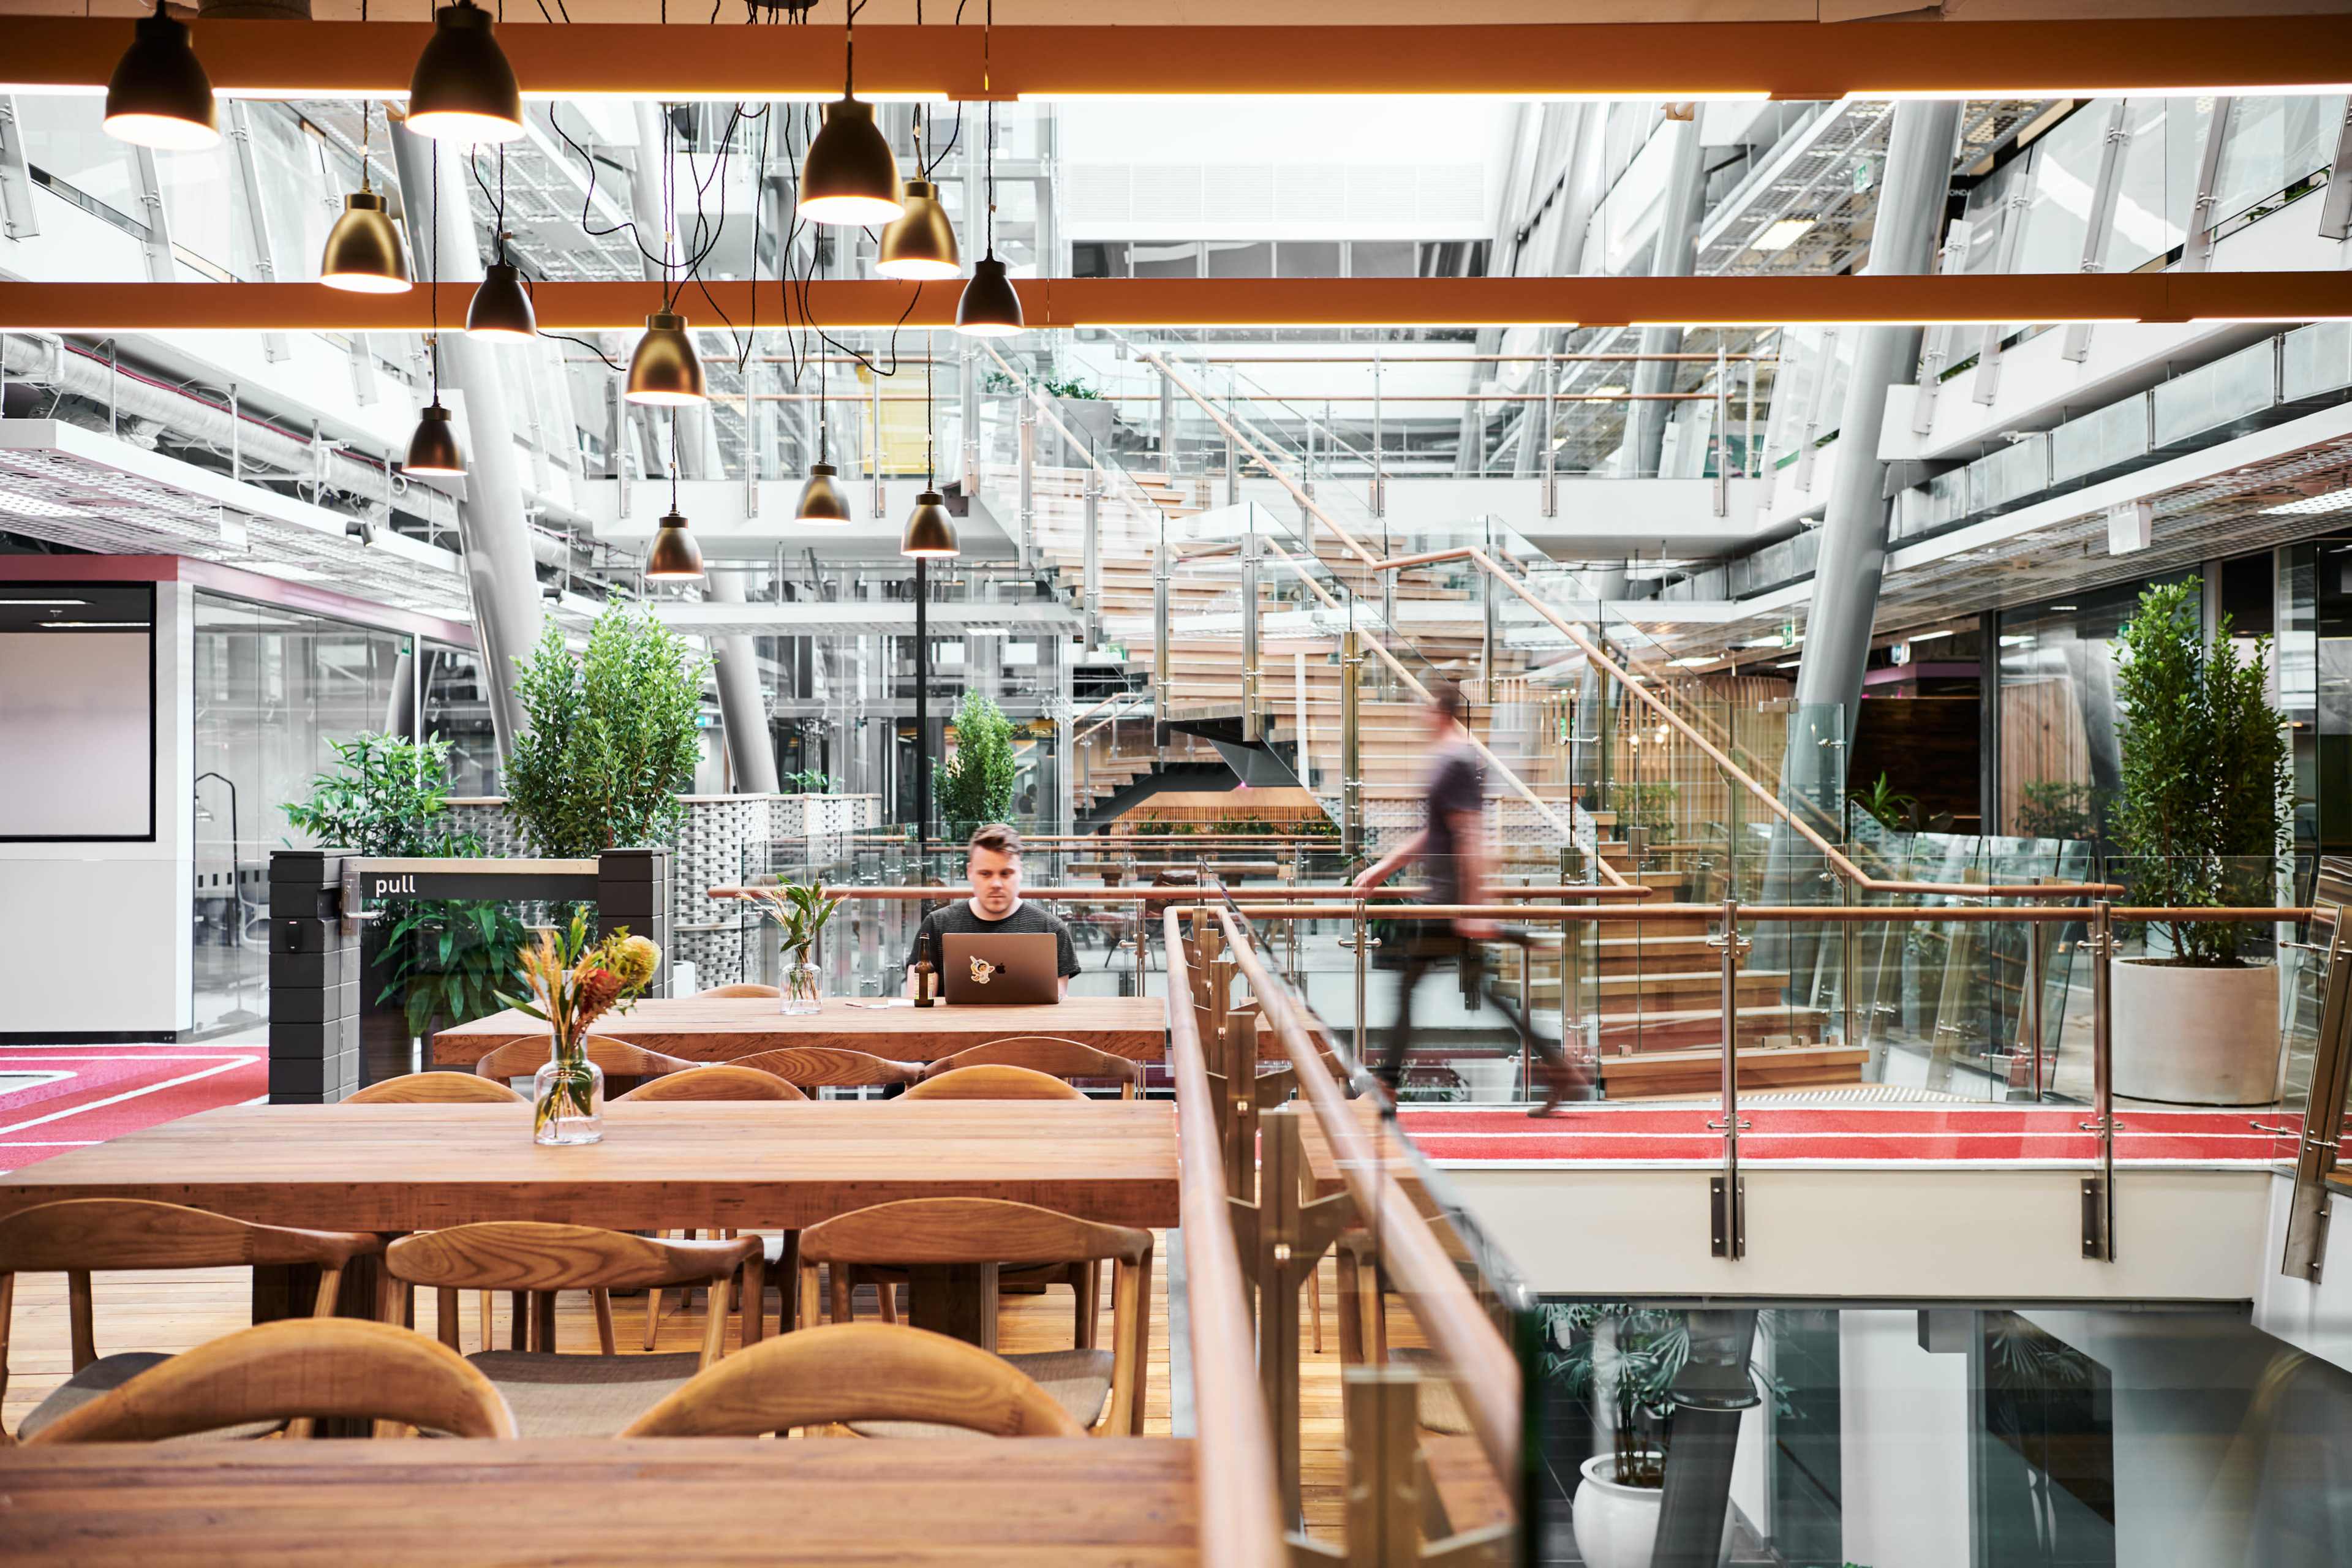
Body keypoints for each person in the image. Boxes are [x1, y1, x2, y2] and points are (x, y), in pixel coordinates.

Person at [1351, 680, 1585, 1115]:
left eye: (1424, 709)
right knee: (1481, 991)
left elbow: (1471, 834)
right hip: (1449, 902)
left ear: (1440, 711)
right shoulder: (1449, 759)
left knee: (1407, 987)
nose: (1420, 717)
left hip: (1451, 904)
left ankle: (1386, 1085)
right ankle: (1558, 1068)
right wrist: (1380, 870)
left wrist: (1475, 907)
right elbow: (1433, 832)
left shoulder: (1456, 760)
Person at [905, 822, 1082, 1000]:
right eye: (986, 874)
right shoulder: (936, 925)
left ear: (1020, 871)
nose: (996, 884)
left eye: (1005, 874)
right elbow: (918, 1002)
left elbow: (1057, 1007)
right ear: (970, 872)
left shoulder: (1051, 930)